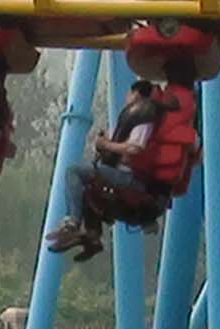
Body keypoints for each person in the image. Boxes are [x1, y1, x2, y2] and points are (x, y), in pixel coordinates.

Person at [43, 76, 169, 261]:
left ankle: (72, 224)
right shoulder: (145, 116)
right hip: (130, 176)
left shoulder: (144, 115)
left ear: (135, 94)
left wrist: (107, 145)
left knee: (74, 172)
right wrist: (106, 143)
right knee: (87, 188)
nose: (127, 98)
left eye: (129, 93)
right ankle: (92, 236)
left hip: (133, 180)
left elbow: (136, 148)